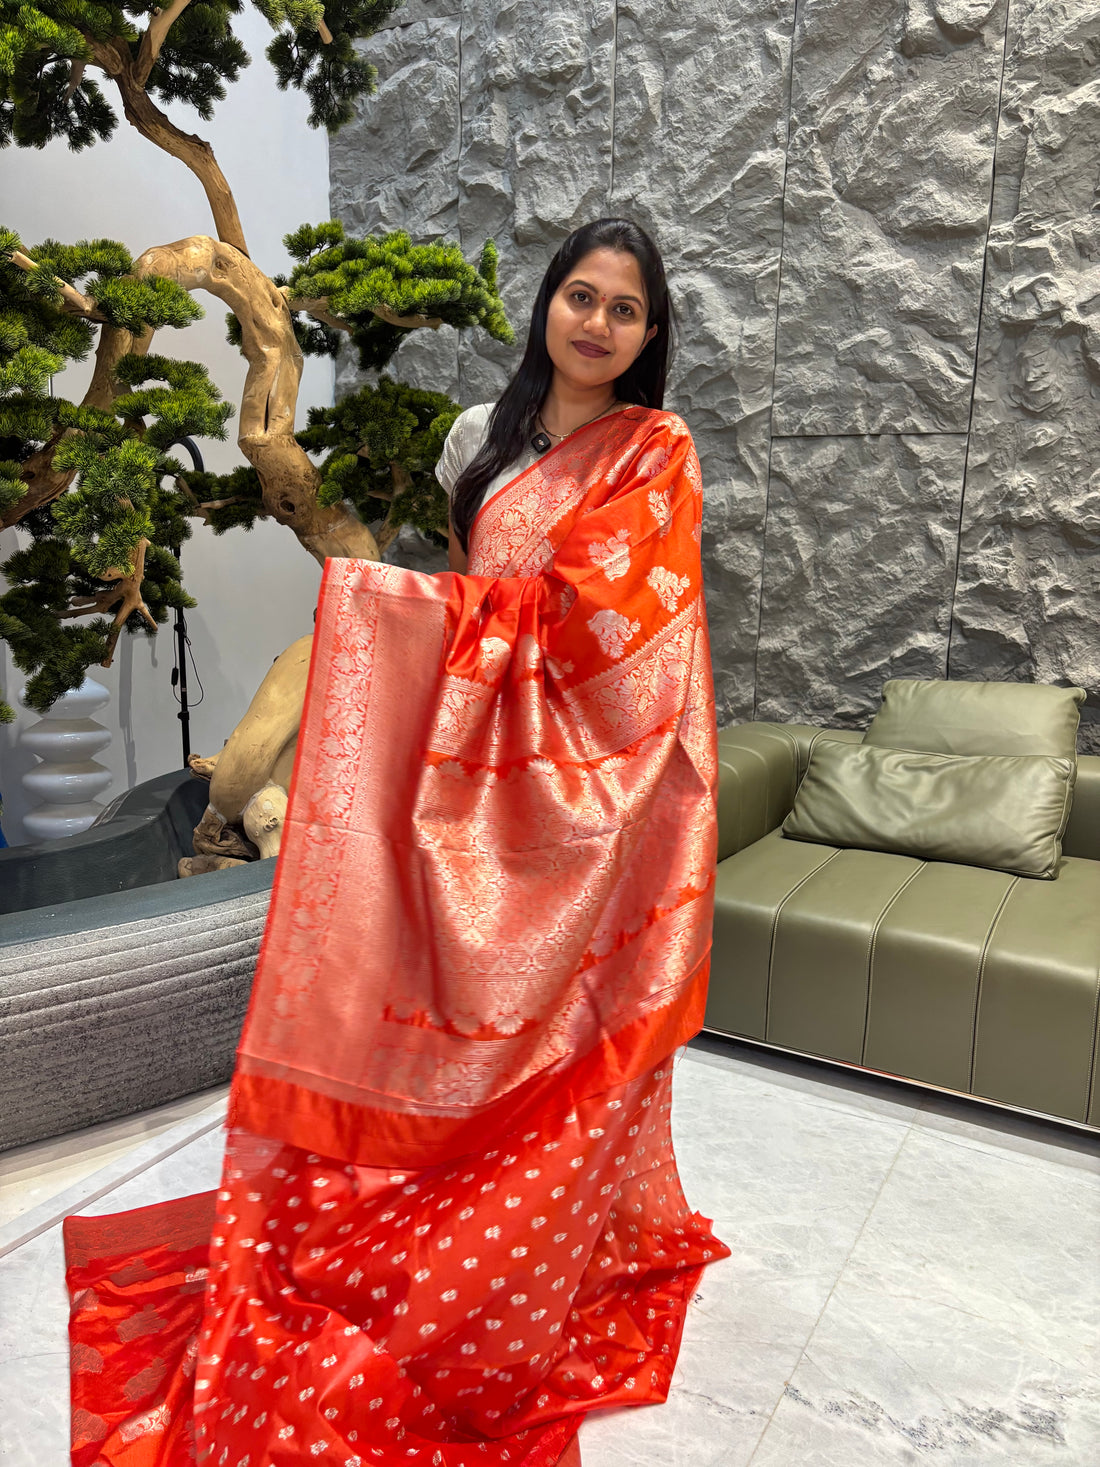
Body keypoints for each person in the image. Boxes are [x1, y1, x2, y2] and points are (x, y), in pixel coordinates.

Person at [63, 217, 729, 1467]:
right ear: (545, 305)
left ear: (649, 337)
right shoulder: (476, 439)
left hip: (587, 784)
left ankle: (539, 1251)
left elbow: (625, 630)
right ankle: (428, 1210)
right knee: (437, 1001)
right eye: (576, 296)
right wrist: (412, 622)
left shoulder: (655, 452)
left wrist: (424, 623)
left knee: (559, 1030)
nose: (594, 322)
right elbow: (481, 586)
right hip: (472, 774)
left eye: (622, 309)